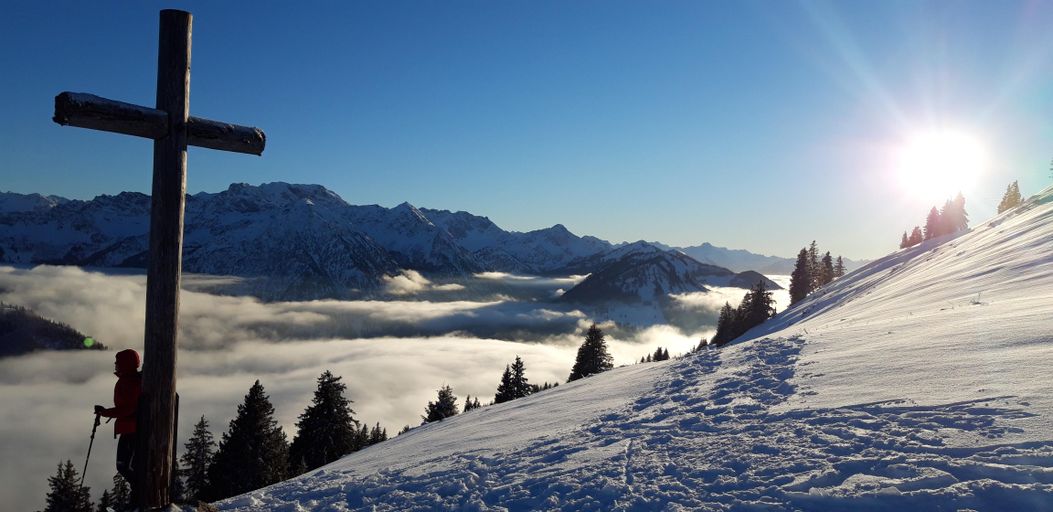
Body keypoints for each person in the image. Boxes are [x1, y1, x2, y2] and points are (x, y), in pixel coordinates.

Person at [95, 349, 143, 508]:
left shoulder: (129, 382)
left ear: (125, 363)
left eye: (118, 362)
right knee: (128, 466)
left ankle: (139, 498)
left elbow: (128, 408)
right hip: (131, 429)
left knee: (125, 466)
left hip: (131, 430)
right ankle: (137, 498)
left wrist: (105, 412)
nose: (115, 365)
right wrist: (106, 411)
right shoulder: (132, 380)